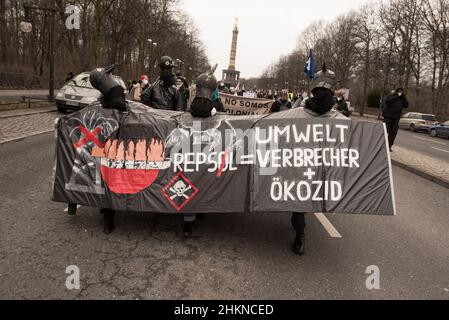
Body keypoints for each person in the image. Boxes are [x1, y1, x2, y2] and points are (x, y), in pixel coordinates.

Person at [290, 64, 350, 255]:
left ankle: (300, 234)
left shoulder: (298, 112)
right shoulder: (341, 120)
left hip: (300, 162)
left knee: (299, 196)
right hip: (323, 165)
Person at [181, 72, 224, 237]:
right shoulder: (217, 107)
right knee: (205, 180)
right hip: (210, 152)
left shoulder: (189, 107)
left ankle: (188, 221)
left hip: (190, 151)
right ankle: (202, 210)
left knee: (190, 180)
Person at [89, 64, 128, 234]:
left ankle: (107, 212)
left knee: (107, 174)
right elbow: (120, 105)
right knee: (109, 175)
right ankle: (108, 214)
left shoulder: (107, 100)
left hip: (110, 144)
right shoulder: (114, 96)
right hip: (110, 144)